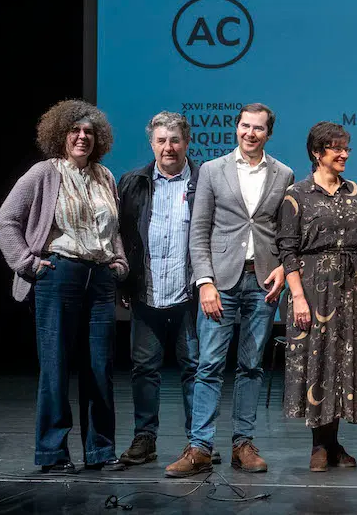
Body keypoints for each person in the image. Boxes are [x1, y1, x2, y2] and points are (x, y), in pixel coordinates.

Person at [0, 99, 128, 473]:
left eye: (89, 131)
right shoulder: (43, 173)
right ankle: (53, 453)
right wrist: (26, 263)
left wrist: (119, 261)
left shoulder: (106, 176)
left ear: (98, 137)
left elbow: (112, 228)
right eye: (75, 131)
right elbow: (6, 221)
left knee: (99, 367)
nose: (82, 137)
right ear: (61, 134)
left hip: (100, 278)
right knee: (56, 367)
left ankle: (101, 450)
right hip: (59, 274)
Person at [165, 103, 294, 477]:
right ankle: (200, 447)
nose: (250, 133)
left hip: (264, 280)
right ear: (236, 128)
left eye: (258, 128)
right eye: (244, 126)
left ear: (268, 133)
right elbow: (199, 231)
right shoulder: (211, 170)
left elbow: (287, 233)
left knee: (251, 365)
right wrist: (204, 282)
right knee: (208, 365)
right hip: (220, 282)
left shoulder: (283, 173)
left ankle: (243, 444)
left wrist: (284, 270)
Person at [116, 111, 217, 466]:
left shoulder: (206, 179)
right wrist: (125, 281)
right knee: (144, 369)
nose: (168, 147)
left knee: (195, 368)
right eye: (161, 140)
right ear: (152, 144)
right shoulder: (132, 182)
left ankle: (199, 443)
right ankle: (145, 439)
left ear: (187, 143)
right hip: (147, 290)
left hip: (190, 292)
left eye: (175, 140)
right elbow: (123, 237)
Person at [276, 121, 357, 472]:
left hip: (351, 290)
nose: (344, 153)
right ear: (317, 153)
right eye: (336, 148)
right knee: (316, 363)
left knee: (343, 365)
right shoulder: (297, 194)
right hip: (313, 289)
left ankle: (333, 443)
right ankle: (319, 445)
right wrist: (298, 297)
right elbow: (287, 250)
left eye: (346, 147)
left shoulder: (355, 192)